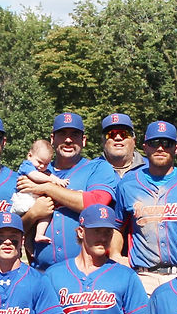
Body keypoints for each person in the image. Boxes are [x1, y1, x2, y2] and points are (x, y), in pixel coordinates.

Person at [113, 120, 177, 293]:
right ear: (145, 147)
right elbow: (117, 226)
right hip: (143, 277)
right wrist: (115, 254)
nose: (160, 148)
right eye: (154, 143)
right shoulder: (127, 185)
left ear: (175, 148)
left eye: (166, 143)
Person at [21, 112, 121, 269]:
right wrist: (33, 214)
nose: (68, 140)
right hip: (41, 272)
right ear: (52, 139)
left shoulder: (98, 168)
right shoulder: (34, 170)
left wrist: (47, 187)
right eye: (62, 134)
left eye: (75, 134)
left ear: (84, 140)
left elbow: (97, 202)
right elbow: (14, 227)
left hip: (89, 273)